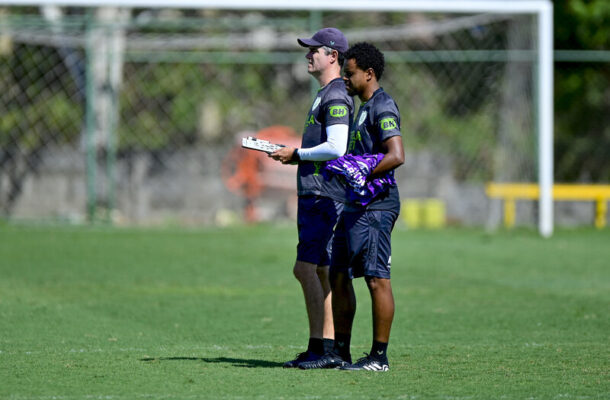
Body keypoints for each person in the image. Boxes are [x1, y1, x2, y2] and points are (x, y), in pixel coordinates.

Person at [299, 42, 404, 371]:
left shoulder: (382, 106)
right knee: (340, 274)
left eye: (351, 73)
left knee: (376, 279)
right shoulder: (361, 107)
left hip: (377, 205)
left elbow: (396, 154)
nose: (345, 79)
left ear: (369, 74)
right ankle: (339, 352)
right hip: (354, 204)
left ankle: (378, 357)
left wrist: (363, 171)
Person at [269, 28, 354, 368]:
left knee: (305, 269)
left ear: (332, 56)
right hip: (316, 195)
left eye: (314, 50)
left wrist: (297, 154)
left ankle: (321, 348)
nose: (308, 55)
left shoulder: (335, 95)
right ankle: (325, 348)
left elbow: (337, 146)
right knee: (319, 271)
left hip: (323, 196)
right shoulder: (325, 93)